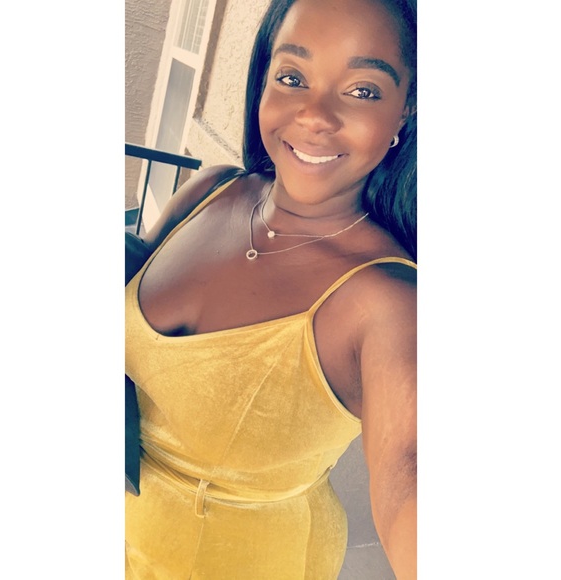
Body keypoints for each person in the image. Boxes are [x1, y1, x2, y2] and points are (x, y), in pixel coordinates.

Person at [125, 0, 417, 577]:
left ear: (404, 114)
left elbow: (412, 471)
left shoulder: (389, 304)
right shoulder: (211, 191)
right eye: (292, 77)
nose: (314, 115)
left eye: (362, 90)